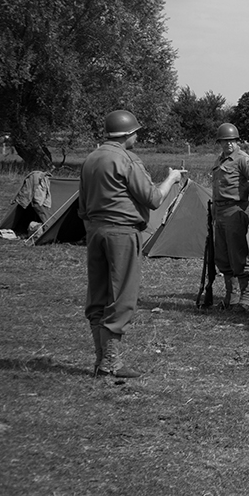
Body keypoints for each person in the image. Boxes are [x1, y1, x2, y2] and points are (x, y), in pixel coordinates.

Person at [79, 110, 187, 379]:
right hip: (122, 233)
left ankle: (100, 358)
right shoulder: (127, 160)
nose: (137, 137)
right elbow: (153, 198)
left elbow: (82, 206)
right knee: (122, 295)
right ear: (127, 134)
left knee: (98, 294)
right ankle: (111, 362)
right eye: (136, 133)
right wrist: (172, 178)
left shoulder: (91, 158)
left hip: (95, 230)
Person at [210, 123, 249, 310]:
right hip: (220, 210)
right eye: (225, 141)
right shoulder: (219, 160)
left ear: (237, 141)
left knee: (238, 253)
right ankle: (231, 296)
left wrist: (242, 191)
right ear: (220, 142)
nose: (228, 144)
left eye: (232, 140)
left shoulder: (243, 159)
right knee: (222, 255)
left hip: (235, 209)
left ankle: (245, 297)